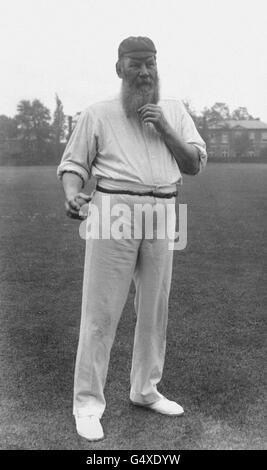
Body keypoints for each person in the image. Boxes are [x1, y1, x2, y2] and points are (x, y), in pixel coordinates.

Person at [57, 36, 207, 441]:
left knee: (155, 309)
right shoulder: (98, 113)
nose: (144, 71)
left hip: (164, 209)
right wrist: (73, 194)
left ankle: (145, 390)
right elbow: (73, 165)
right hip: (113, 209)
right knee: (101, 312)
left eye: (151, 63)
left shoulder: (174, 110)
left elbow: (193, 164)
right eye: (135, 63)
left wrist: (164, 126)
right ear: (119, 68)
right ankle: (87, 405)